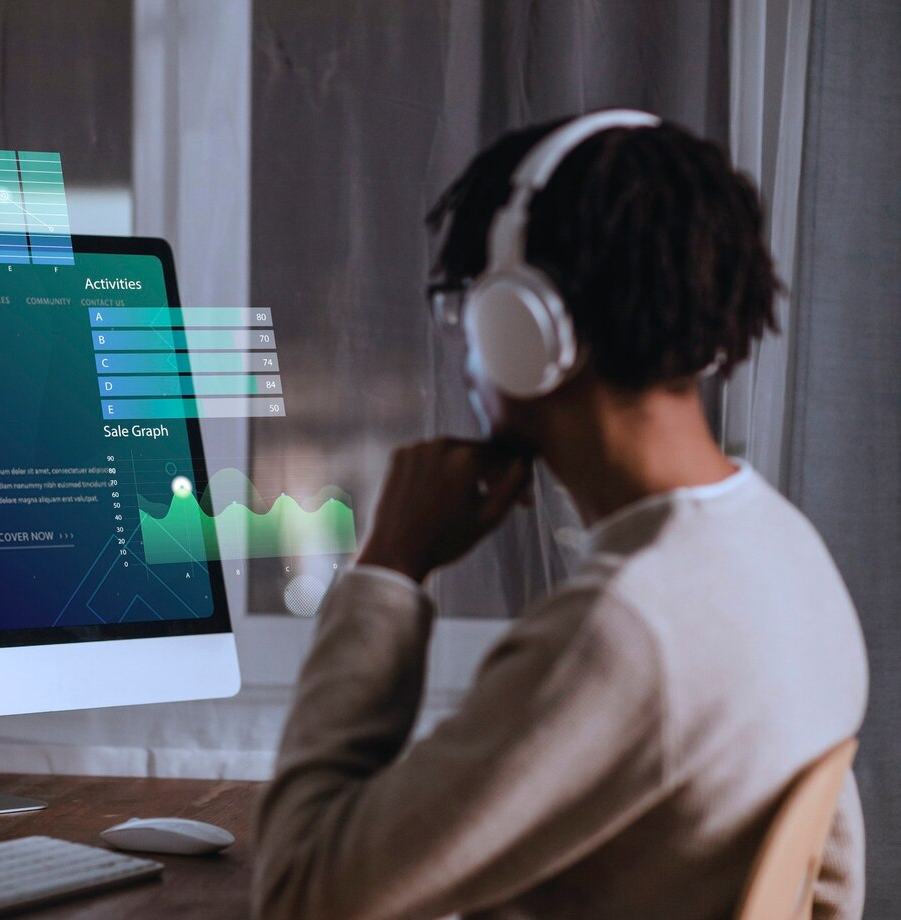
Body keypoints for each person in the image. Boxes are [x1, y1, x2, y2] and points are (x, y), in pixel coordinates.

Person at [253, 111, 868, 920]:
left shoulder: (627, 628)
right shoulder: (784, 548)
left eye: (468, 309)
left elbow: (304, 895)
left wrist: (388, 568)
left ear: (524, 324)